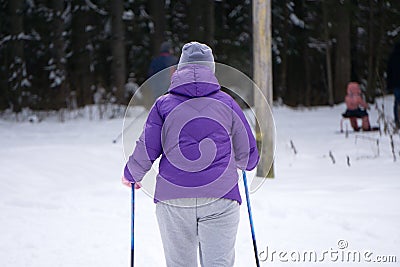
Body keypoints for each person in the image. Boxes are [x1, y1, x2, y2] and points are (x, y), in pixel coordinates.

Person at [122, 41, 259, 266]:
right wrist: (243, 161)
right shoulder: (228, 103)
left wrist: (132, 174)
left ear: (179, 69)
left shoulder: (162, 105)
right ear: (212, 70)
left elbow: (148, 146)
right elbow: (249, 159)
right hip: (221, 197)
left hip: (174, 199)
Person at [387, 42, 400, 127]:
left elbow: (389, 72)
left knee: (397, 102)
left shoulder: (392, 57)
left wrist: (389, 84)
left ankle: (397, 120)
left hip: (396, 84)